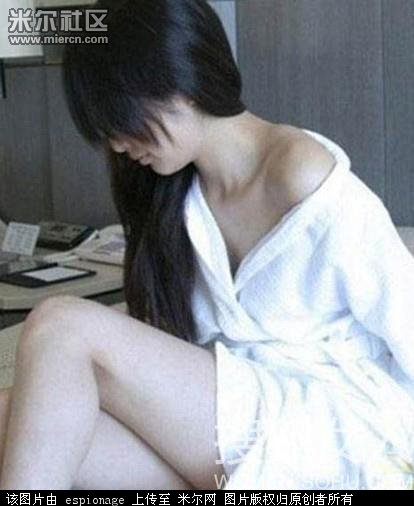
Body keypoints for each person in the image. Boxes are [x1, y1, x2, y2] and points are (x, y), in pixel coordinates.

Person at [1, 0, 414, 490]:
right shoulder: (176, 195)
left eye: (118, 118)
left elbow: (403, 312)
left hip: (326, 428)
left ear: (175, 81)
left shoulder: (301, 173)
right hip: (229, 434)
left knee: (60, 325)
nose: (115, 144)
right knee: (17, 413)